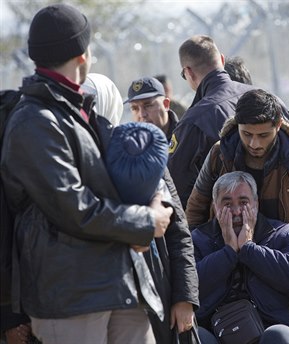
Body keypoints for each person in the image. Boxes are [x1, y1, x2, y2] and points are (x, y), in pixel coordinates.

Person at [0, 4, 174, 343]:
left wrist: (155, 197)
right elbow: (74, 208)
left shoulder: (81, 110)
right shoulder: (34, 121)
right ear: (83, 55)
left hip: (118, 285)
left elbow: (124, 179)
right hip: (70, 295)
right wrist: (144, 223)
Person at [186, 89, 289, 272]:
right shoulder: (219, 156)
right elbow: (195, 212)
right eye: (247, 134)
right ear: (237, 125)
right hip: (229, 266)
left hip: (282, 267)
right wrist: (202, 256)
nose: (254, 144)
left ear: (278, 125)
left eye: (263, 135)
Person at [192, 171, 289, 344]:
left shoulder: (284, 234)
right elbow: (186, 285)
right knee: (192, 337)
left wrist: (249, 249)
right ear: (215, 207)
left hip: (273, 324)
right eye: (227, 203)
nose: (236, 211)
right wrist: (228, 252)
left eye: (243, 202)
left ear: (256, 204)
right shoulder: (197, 240)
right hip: (215, 329)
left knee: (278, 336)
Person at [105, 121, 200, 343]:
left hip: (160, 285)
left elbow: (179, 233)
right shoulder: (88, 164)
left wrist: (185, 296)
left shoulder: (148, 154)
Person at [169, 35, 254, 209]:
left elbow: (175, 186)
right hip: (279, 224)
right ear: (222, 60)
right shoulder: (266, 99)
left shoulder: (193, 122)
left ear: (188, 72)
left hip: (223, 226)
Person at [125, 76, 179, 142]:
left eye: (148, 106)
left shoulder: (185, 136)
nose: (142, 114)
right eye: (135, 108)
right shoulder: (129, 144)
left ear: (166, 104)